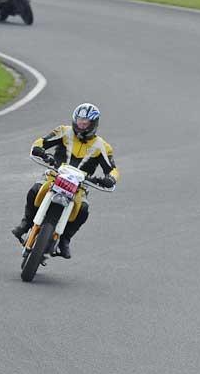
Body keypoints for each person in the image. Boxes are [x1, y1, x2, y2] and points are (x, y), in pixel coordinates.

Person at [11, 103, 119, 259]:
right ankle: (26, 223)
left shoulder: (102, 146)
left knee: (83, 210)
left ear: (93, 124)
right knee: (35, 190)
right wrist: (40, 150)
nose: (82, 124)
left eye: (86, 122)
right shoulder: (63, 131)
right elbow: (41, 141)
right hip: (54, 175)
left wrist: (110, 178)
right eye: (80, 120)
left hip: (80, 186)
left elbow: (113, 169)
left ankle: (65, 240)